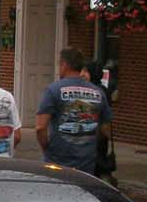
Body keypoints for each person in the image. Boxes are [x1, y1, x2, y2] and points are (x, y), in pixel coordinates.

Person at [35, 46, 112, 174]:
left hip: (58, 160)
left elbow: (40, 127)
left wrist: (46, 149)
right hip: (87, 161)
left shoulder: (53, 90)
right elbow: (105, 129)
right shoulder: (98, 92)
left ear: (64, 65)